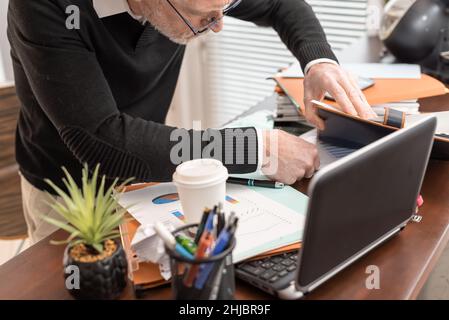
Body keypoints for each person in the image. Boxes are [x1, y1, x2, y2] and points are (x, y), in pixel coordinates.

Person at [7, 0, 376, 243]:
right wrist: (258, 149)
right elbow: (100, 140)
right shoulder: (44, 6)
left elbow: (280, 5)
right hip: (67, 187)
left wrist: (318, 62)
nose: (218, 26)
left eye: (226, 7)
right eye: (205, 17)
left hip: (151, 170)